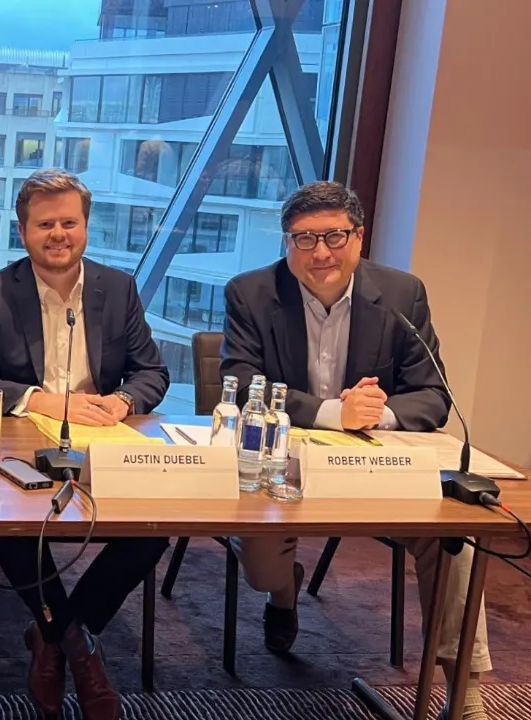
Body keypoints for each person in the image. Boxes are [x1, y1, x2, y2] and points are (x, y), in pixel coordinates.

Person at [221, 180, 490, 720]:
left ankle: (466, 691)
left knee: (458, 536)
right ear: (286, 243)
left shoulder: (401, 293)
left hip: (374, 464)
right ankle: (282, 592)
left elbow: (432, 394)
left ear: (359, 237)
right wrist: (329, 414)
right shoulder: (251, 292)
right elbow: (240, 381)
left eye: (335, 236)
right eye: (303, 239)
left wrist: (378, 413)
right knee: (261, 569)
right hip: (282, 463)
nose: (320, 252)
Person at [0, 169, 171, 720]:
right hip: (25, 444)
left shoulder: (116, 288)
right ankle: (82, 654)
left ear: (85, 227)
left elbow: (152, 373)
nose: (58, 234)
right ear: (23, 231)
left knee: (152, 531)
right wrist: (48, 401)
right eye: (44, 224)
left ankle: (54, 637)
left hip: (105, 441)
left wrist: (122, 403)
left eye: (69, 222)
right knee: (16, 532)